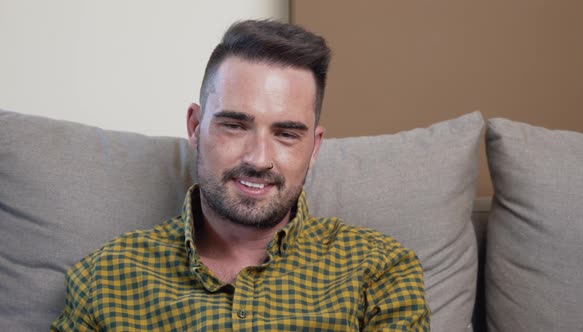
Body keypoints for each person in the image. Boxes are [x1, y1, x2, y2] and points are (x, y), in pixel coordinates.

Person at [51, 19, 430, 331]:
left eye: (285, 134)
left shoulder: (379, 272)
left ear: (314, 148)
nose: (259, 158)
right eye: (235, 125)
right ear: (196, 127)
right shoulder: (104, 279)